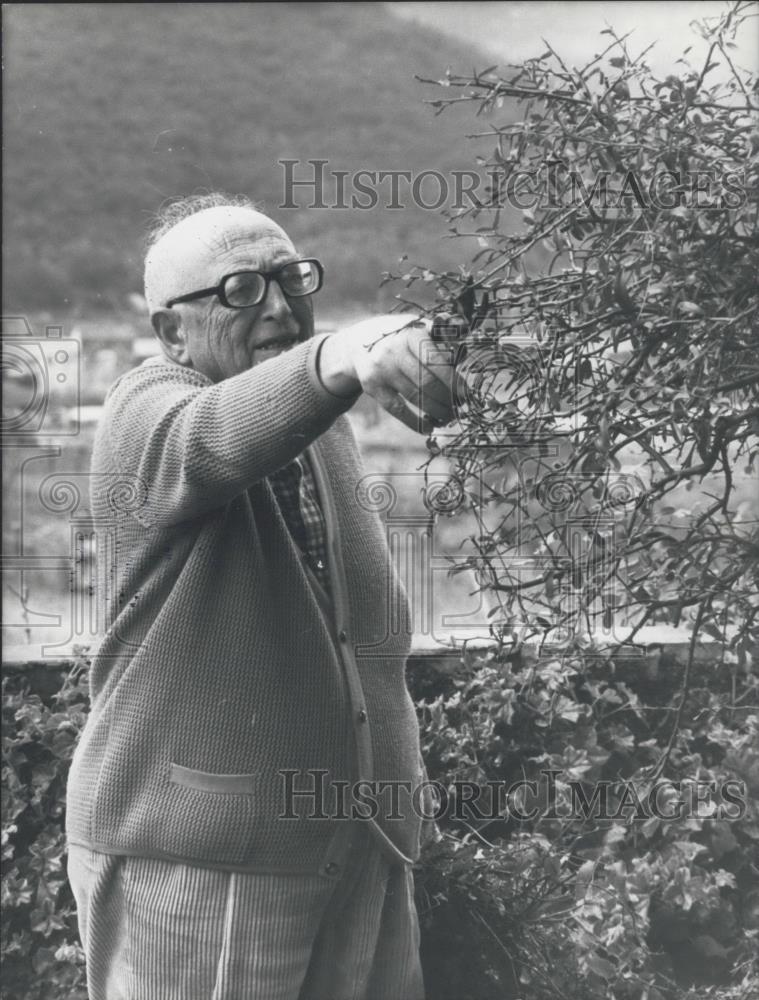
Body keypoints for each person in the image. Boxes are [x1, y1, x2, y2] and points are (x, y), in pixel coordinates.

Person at [65, 192, 458, 1000]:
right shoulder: (143, 414)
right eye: (240, 290)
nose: (278, 305)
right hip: (204, 859)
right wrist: (339, 355)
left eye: (291, 279)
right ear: (172, 330)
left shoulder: (318, 424)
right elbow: (211, 439)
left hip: (361, 842)